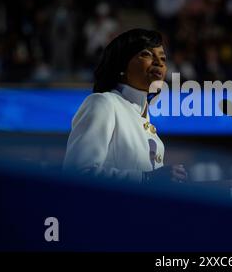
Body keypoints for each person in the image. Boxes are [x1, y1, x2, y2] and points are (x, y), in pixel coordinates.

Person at [63, 28, 187, 184]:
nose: (159, 63)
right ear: (121, 65)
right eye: (146, 54)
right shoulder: (104, 103)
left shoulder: (147, 123)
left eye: (163, 58)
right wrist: (146, 178)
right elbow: (77, 174)